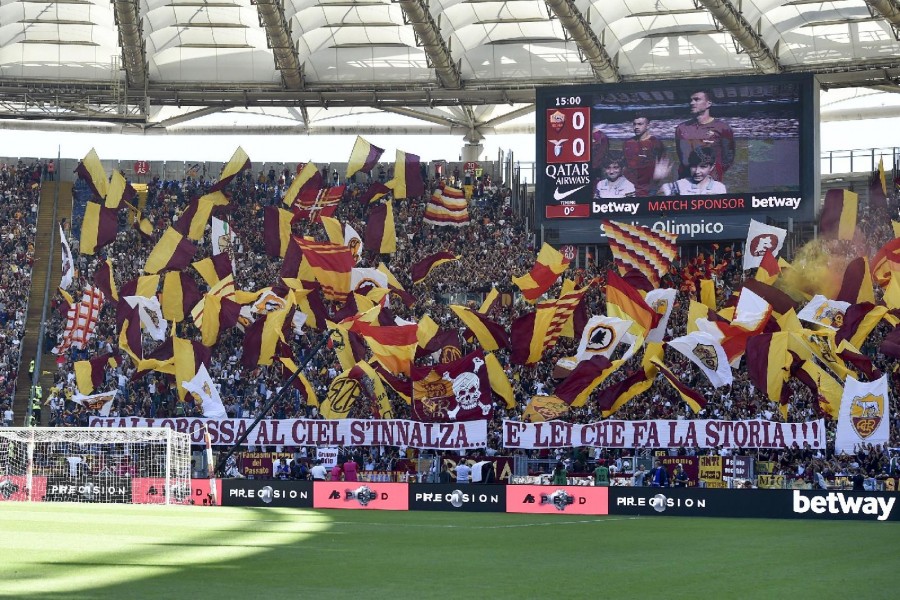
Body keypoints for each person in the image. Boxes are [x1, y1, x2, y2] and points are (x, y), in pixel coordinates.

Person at [674, 89, 735, 182]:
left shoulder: (722, 128)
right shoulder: (681, 128)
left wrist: (715, 172)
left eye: (696, 99)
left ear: (708, 103)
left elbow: (728, 157)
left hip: (712, 181)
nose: (691, 103)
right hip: (685, 181)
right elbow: (681, 156)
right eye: (691, 100)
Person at [623, 115, 667, 196]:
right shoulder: (627, 143)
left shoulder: (655, 143)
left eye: (640, 124)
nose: (636, 127)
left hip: (649, 188)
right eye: (634, 124)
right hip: (630, 187)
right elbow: (624, 165)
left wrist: (656, 183)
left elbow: (663, 165)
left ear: (648, 126)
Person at [660, 147, 727, 196]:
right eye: (693, 166)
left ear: (712, 167)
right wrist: (657, 179)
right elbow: (654, 198)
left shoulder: (719, 188)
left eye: (703, 167)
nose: (697, 171)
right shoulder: (679, 185)